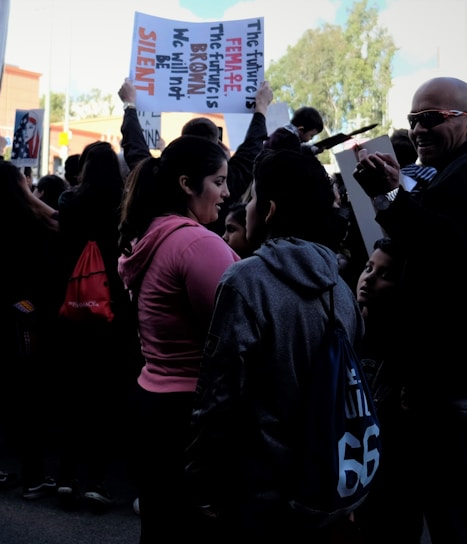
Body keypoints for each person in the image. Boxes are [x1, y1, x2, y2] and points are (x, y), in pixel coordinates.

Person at [186, 148, 364, 543]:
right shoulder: (342, 286)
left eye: (251, 199)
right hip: (324, 482)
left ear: (269, 210)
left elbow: (219, 396)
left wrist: (201, 478)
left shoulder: (245, 281)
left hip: (257, 491)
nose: (244, 206)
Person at [351, 75, 467, 543]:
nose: (419, 129)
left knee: (441, 510)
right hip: (425, 380)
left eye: (432, 118)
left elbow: (447, 251)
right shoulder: (445, 174)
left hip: (441, 383)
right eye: (413, 119)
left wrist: (392, 197)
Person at [117, 135, 240, 543]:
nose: (228, 193)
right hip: (193, 412)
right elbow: (237, 332)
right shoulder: (198, 244)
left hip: (154, 401)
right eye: (219, 182)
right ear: (187, 184)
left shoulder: (156, 234)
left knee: (162, 524)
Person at [0, 159, 63, 501]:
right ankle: (33, 479)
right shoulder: (28, 222)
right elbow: (60, 222)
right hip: (19, 320)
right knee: (27, 399)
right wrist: (32, 199)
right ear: (19, 185)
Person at [54, 141, 142, 512]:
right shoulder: (123, 205)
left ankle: (65, 477)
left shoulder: (69, 202)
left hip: (72, 310)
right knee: (106, 398)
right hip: (113, 313)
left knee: (72, 395)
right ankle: (97, 481)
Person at [118, 77, 273, 236]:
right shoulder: (205, 244)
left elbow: (135, 149)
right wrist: (260, 109)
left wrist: (129, 105)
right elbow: (251, 148)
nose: (225, 192)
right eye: (219, 182)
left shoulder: (157, 180)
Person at [352, 237, 421, 543]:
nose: (368, 278)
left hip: (390, 481)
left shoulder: (406, 350)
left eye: (386, 274)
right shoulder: (345, 333)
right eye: (368, 267)